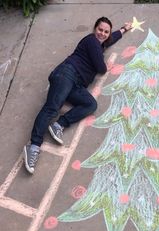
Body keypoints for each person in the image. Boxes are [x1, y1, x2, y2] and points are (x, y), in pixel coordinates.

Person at [23, 17, 132, 174]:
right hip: (67, 73)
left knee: (90, 104)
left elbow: (111, 38)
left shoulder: (102, 42)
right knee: (52, 108)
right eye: (100, 29)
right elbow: (101, 68)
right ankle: (33, 147)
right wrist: (105, 66)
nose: (102, 33)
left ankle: (58, 125)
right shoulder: (92, 41)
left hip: (77, 84)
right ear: (94, 29)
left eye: (105, 32)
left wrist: (123, 29)